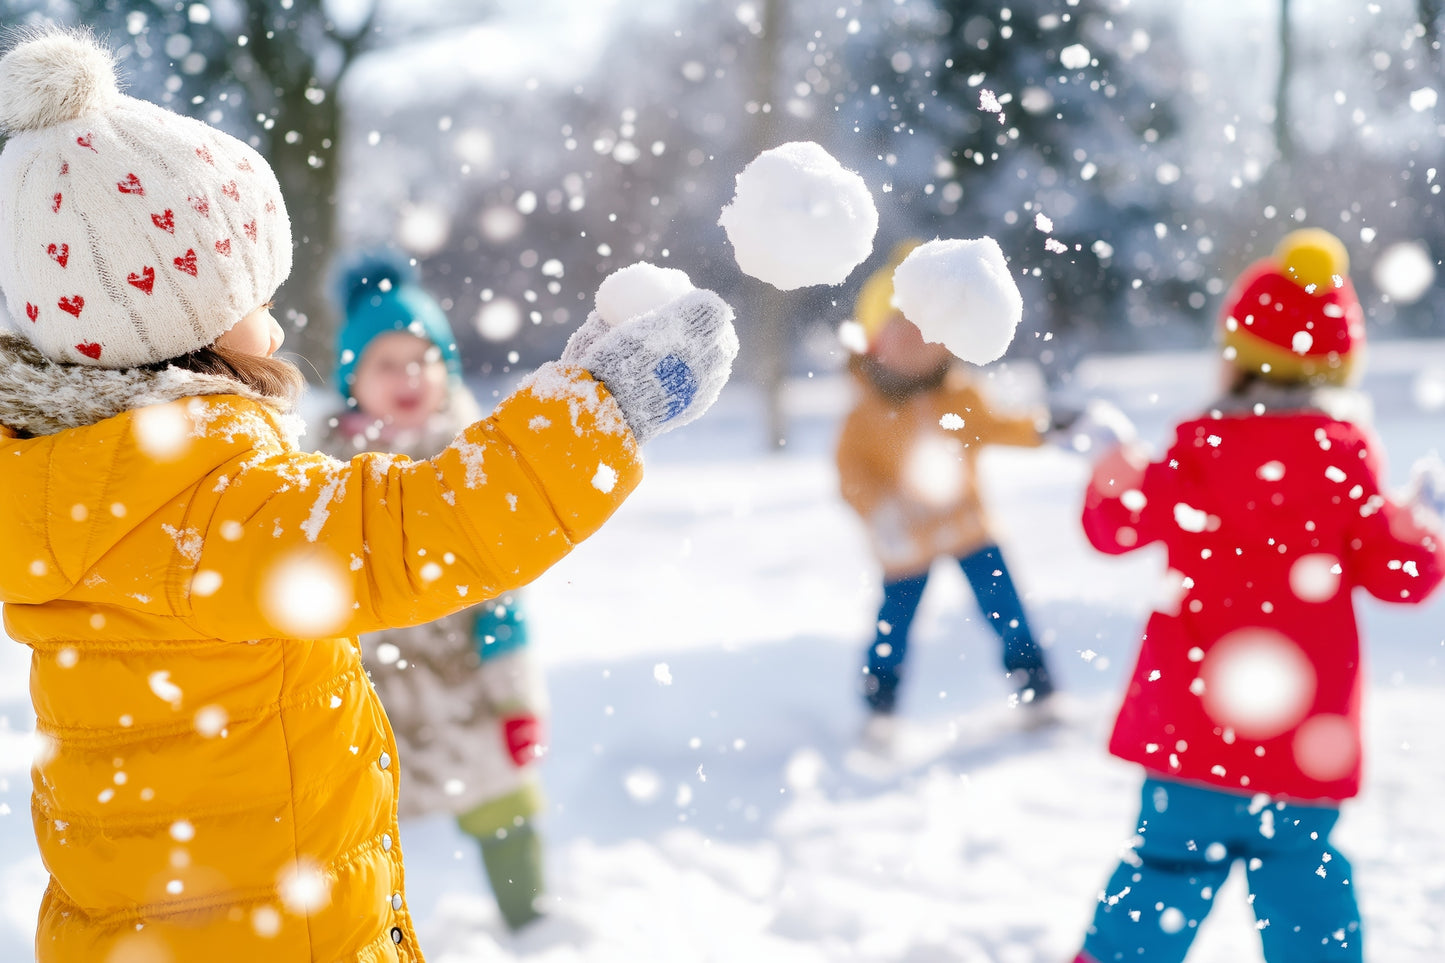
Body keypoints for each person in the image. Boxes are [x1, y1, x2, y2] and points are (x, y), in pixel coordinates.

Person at [0, 30, 737, 963]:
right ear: (179, 320)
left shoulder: (62, 483)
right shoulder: (205, 501)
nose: (272, 316)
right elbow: (418, 529)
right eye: (253, 291)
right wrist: (601, 408)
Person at [1072, 228, 1445, 963]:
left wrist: (1111, 466)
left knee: (1162, 875)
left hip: (1189, 729)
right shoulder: (1343, 463)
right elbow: (1403, 576)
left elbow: (1113, 526)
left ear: (1238, 360)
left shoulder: (1195, 450)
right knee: (1303, 885)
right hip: (1299, 742)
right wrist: (1421, 522)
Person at [316, 253, 549, 931]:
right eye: (386, 365)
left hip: (463, 681)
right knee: (359, 840)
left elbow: (503, 599)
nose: (408, 377)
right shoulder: (324, 472)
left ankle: (533, 924)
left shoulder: (469, 463)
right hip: (369, 694)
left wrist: (515, 699)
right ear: (352, 380)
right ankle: (372, 935)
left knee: (502, 806)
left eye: (423, 359)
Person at [836, 241, 1057, 727]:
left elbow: (1002, 427)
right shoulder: (865, 412)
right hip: (906, 539)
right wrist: (880, 511)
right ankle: (879, 708)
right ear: (875, 339)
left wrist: (1045, 428)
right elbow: (851, 475)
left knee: (1006, 609)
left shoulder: (962, 396)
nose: (915, 341)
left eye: (925, 332)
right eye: (901, 330)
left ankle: (1036, 688)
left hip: (967, 526)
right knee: (894, 627)